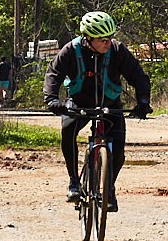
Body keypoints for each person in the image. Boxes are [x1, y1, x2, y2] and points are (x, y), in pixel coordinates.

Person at [46, 11, 151, 211]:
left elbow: (138, 76)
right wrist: (52, 99)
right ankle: (74, 182)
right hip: (79, 104)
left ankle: (108, 188)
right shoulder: (71, 50)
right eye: (102, 39)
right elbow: (54, 74)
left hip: (111, 106)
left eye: (110, 38)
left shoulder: (118, 51)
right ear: (88, 38)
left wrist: (143, 101)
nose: (107, 43)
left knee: (119, 152)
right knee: (68, 130)